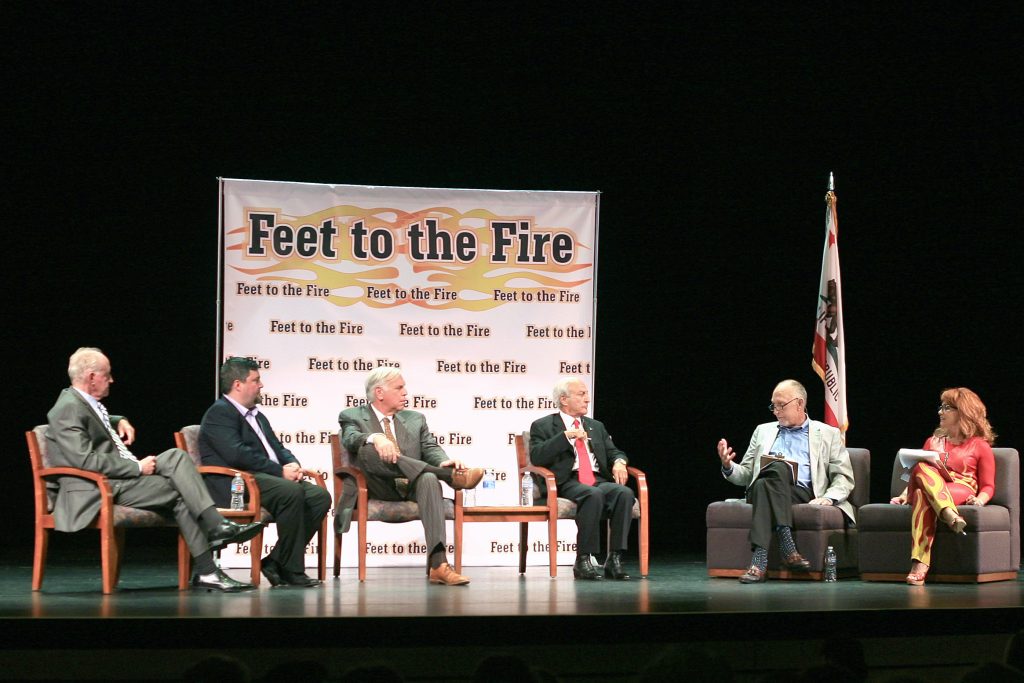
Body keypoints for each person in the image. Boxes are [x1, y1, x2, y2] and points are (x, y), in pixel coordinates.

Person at [45, 347, 263, 592]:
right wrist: (136, 466)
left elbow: (96, 420)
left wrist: (119, 420)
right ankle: (210, 555)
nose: (112, 380)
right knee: (181, 492)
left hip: (115, 481)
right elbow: (83, 460)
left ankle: (213, 540)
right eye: (107, 375)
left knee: (176, 456)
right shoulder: (66, 408)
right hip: (94, 488)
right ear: (91, 377)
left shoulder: (83, 403)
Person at [337, 367, 484, 585]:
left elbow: (429, 447)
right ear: (379, 393)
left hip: (412, 484)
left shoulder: (415, 418)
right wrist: (376, 438)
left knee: (428, 479)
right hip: (378, 485)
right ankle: (448, 476)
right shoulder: (351, 415)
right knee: (368, 448)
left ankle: (439, 565)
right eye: (399, 387)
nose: (406, 392)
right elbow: (349, 439)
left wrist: (443, 460)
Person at [198, 357, 332, 588]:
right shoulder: (220, 413)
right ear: (238, 384)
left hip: (263, 478)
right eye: (256, 380)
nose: (261, 385)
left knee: (319, 497)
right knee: (290, 491)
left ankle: (275, 561)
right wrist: (280, 472)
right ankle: (292, 570)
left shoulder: (256, 415)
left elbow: (277, 448)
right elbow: (236, 455)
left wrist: (292, 465)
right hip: (235, 482)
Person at [717, 379, 855, 584]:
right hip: (759, 489)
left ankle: (758, 562)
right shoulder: (762, 431)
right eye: (773, 405)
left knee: (766, 483)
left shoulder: (828, 434)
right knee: (777, 467)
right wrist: (728, 466)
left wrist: (829, 497)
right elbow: (746, 474)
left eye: (781, 405)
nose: (776, 410)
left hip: (801, 491)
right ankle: (787, 544)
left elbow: (843, 476)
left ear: (799, 404)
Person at [529, 378, 635, 580]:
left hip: (596, 479)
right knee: (592, 494)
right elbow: (537, 456)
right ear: (564, 399)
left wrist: (620, 462)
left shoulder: (596, 426)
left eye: (587, 394)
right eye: (581, 394)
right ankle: (583, 559)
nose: (587, 399)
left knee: (624, 493)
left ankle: (615, 558)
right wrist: (565, 437)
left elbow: (614, 452)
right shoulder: (543, 426)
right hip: (566, 481)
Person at [889, 387, 996, 585]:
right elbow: (917, 471)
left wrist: (980, 500)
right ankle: (949, 514)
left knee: (922, 496)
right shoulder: (933, 441)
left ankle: (919, 564)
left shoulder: (979, 445)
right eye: (941, 407)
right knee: (921, 466)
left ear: (963, 411)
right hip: (937, 488)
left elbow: (988, 486)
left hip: (960, 488)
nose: (940, 412)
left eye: (947, 408)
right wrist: (904, 493)